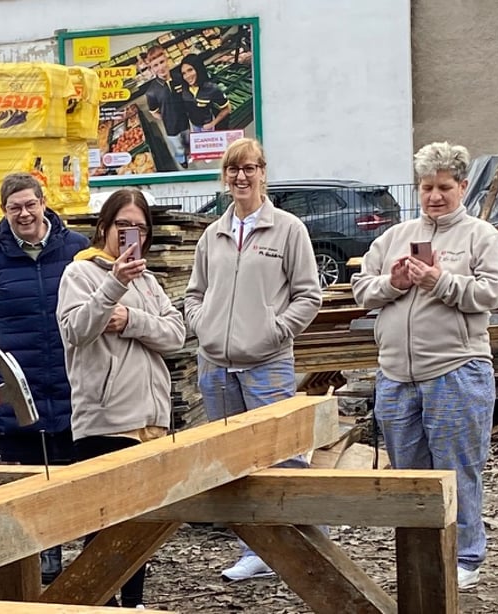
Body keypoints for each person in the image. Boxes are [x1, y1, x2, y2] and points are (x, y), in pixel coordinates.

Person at [352, 142, 498, 591]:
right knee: (411, 476)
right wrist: (394, 282)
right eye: (426, 187)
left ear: (463, 186)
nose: (434, 196)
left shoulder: (481, 236)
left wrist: (440, 281)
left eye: (444, 187)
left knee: (457, 469)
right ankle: (421, 555)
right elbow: (361, 289)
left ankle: (465, 556)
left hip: (456, 369)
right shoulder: (393, 237)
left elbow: (492, 293)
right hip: (395, 375)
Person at [183, 137, 322, 581]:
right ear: (224, 177)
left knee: (283, 456)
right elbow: (194, 293)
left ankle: (303, 548)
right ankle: (256, 551)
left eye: (250, 168)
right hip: (216, 367)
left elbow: (309, 296)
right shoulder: (213, 234)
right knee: (235, 460)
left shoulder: (288, 230)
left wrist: (274, 331)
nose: (241, 177)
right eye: (233, 169)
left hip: (267, 363)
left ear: (263, 173)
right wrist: (204, 325)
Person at [57, 188, 185, 608]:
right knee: (104, 526)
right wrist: (113, 285)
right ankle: (98, 603)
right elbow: (76, 330)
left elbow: (176, 335)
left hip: (150, 420)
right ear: (104, 227)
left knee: (140, 525)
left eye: (140, 228)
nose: (133, 235)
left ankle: (133, 603)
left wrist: (132, 319)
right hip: (107, 421)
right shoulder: (79, 274)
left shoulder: (148, 281)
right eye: (124, 226)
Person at [0, 171, 89, 584]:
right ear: (4, 211)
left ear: (43, 203)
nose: (24, 214)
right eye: (14, 207)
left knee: (80, 473)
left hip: (73, 383)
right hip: (22, 388)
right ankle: (46, 550)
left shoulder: (76, 249)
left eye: (30, 204)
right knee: (32, 478)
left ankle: (91, 551)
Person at [144, 45, 189, 168]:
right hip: (171, 127)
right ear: (151, 69)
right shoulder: (151, 92)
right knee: (178, 147)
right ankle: (182, 160)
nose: (160, 67)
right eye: (155, 65)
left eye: (162, 62)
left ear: (167, 60)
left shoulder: (179, 78)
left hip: (185, 121)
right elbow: (153, 112)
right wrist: (165, 117)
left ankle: (188, 151)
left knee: (187, 140)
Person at [178, 54, 232, 132]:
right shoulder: (184, 87)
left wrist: (213, 123)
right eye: (184, 73)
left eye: (190, 70)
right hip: (193, 126)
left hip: (207, 127)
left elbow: (227, 109)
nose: (187, 76)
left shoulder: (211, 89)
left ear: (198, 69)